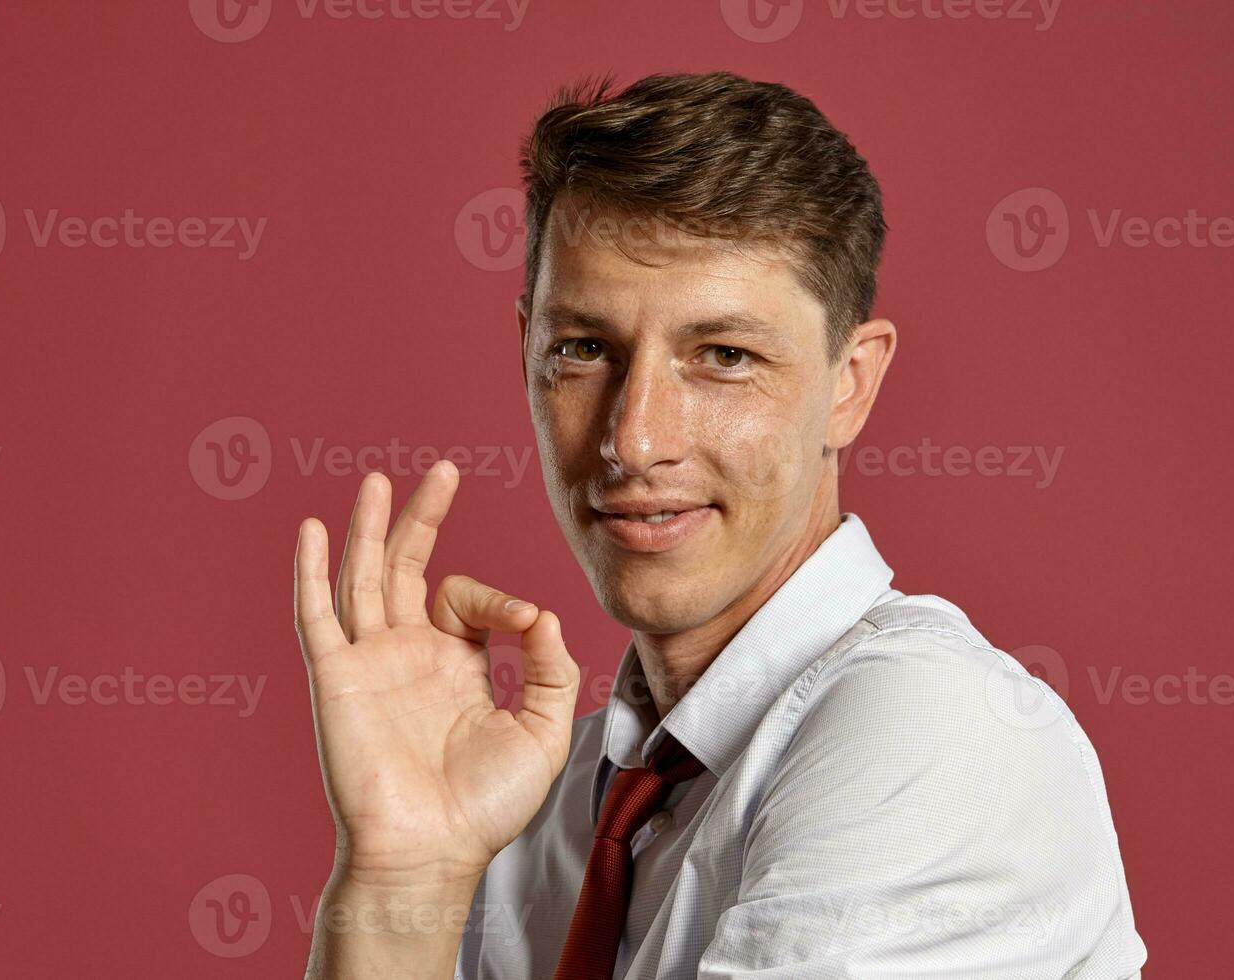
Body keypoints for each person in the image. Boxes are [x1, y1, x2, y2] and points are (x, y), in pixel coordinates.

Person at [293, 71, 1146, 979]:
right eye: (584, 350)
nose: (634, 438)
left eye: (725, 357)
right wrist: (403, 877)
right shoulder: (531, 809)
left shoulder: (935, 731)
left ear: (850, 382)